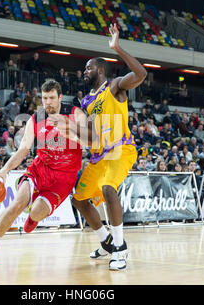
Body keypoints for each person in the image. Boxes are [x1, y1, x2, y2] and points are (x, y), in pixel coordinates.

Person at [0, 80, 85, 266]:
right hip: (40, 168)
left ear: (60, 97)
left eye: (52, 98)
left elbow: (93, 142)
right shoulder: (37, 118)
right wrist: (4, 170)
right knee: (17, 203)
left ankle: (33, 218)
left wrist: (72, 134)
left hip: (64, 177)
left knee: (37, 211)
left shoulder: (75, 114)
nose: (48, 102)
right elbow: (24, 148)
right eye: (45, 98)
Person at [64, 23, 147, 270]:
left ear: (100, 69)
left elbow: (141, 74)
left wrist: (118, 48)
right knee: (78, 200)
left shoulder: (115, 86)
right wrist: (71, 131)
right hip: (99, 155)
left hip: (121, 150)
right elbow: (92, 134)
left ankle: (120, 249)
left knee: (109, 188)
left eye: (87, 67)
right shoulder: (87, 101)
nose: (84, 71)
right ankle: (106, 241)